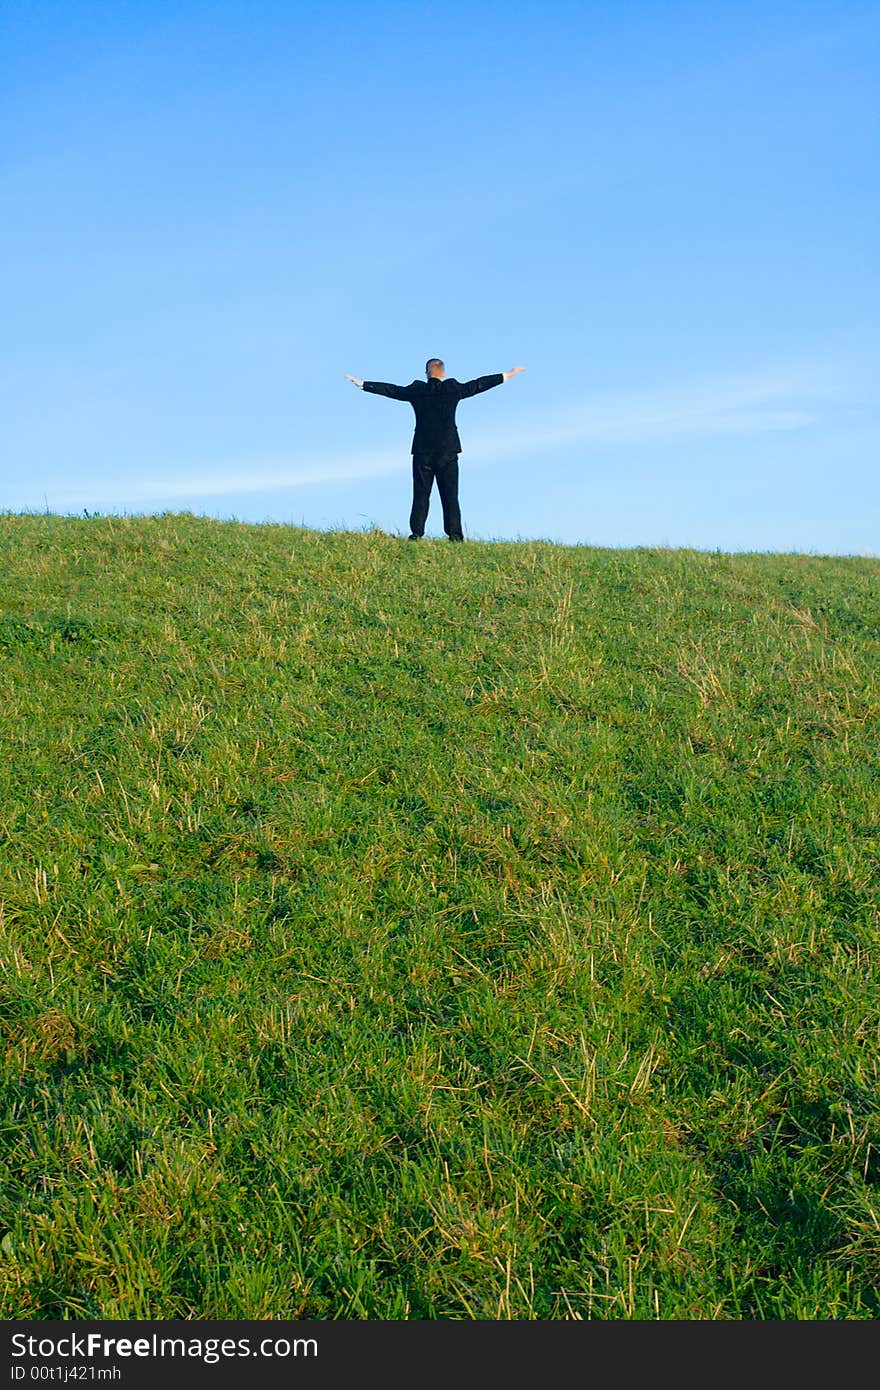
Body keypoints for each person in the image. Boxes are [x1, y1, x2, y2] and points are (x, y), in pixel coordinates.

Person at [346, 358, 525, 541]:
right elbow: (478, 385)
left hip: (422, 451)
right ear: (443, 373)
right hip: (448, 451)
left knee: (421, 495)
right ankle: (455, 536)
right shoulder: (452, 389)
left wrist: (363, 384)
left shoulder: (417, 390)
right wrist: (507, 375)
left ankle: (416, 534)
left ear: (426, 373)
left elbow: (392, 390)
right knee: (450, 497)